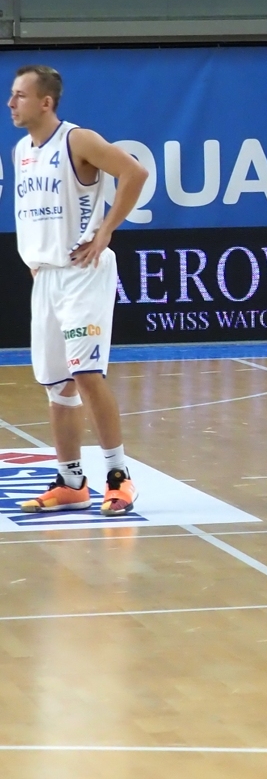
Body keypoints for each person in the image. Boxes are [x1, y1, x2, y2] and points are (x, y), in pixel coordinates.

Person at [11, 65, 149, 516]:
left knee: (86, 372)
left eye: (20, 95)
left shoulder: (77, 140)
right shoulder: (21, 151)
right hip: (47, 276)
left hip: (83, 271)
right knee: (57, 385)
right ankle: (71, 481)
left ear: (45, 102)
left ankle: (118, 476)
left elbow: (134, 173)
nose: (11, 103)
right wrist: (35, 263)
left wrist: (106, 231)